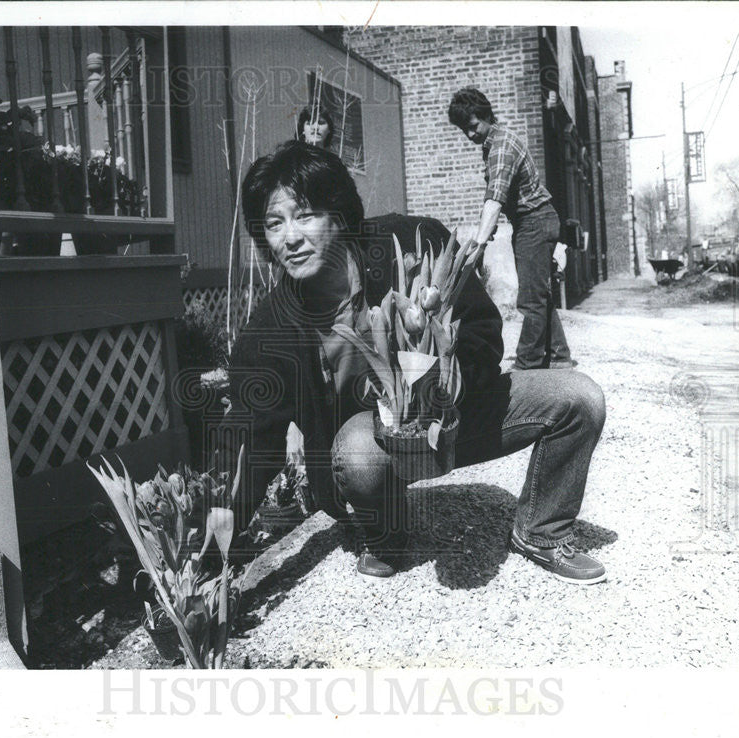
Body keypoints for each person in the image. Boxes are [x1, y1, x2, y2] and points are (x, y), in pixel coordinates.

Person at [218, 140, 606, 584]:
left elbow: (482, 332)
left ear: (338, 216)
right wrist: (212, 541)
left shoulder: (412, 243)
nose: (290, 237)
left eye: (305, 215)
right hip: (372, 448)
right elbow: (252, 440)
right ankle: (385, 535)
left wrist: (439, 392)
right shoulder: (271, 331)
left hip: (451, 415)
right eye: (273, 223)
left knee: (579, 398)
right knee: (359, 453)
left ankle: (542, 530)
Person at [448, 87, 575, 371]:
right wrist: (486, 233)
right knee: (539, 293)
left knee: (530, 299)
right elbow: (496, 200)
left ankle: (528, 362)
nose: (470, 135)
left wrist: (478, 245)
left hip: (535, 221)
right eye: (463, 131)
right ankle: (559, 355)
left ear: (486, 115)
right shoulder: (494, 145)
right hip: (532, 220)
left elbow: (495, 199)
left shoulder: (501, 146)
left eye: (472, 126)